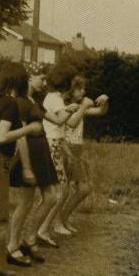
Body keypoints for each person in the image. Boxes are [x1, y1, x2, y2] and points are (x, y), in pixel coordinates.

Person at [0, 62, 43, 276]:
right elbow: (3, 137)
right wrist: (29, 129)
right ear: (19, 81)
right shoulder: (10, 104)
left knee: (0, 216)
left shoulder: (2, 102)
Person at [7, 73, 79, 263]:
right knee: (26, 202)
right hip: (29, 151)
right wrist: (27, 167)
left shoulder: (34, 101)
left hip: (42, 150)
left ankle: (29, 238)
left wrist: (71, 109)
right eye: (41, 78)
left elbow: (57, 120)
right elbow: (21, 135)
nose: (45, 82)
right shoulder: (20, 102)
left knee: (51, 196)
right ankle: (13, 245)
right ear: (29, 78)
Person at [59, 76, 109, 231]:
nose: (84, 91)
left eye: (84, 88)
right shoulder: (63, 106)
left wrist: (105, 100)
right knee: (64, 190)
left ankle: (63, 219)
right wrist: (83, 107)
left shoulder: (80, 106)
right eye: (80, 88)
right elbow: (72, 122)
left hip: (77, 150)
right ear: (71, 90)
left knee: (84, 189)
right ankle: (57, 223)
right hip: (65, 148)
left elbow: (101, 111)